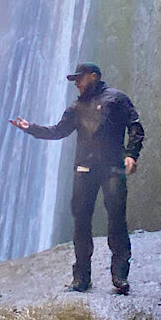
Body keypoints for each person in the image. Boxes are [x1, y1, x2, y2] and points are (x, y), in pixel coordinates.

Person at [10, 63, 144, 294]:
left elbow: (135, 126)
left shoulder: (116, 99)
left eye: (79, 79)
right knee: (81, 222)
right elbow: (57, 131)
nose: (77, 84)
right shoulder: (75, 108)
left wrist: (132, 154)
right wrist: (30, 128)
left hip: (112, 167)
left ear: (93, 77)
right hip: (84, 169)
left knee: (117, 219)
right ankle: (81, 278)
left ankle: (120, 276)